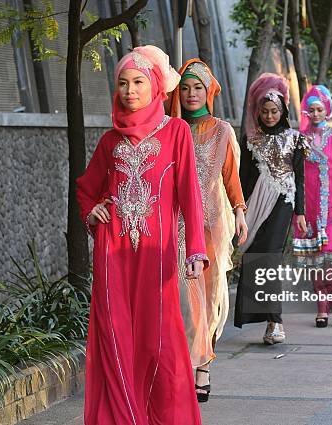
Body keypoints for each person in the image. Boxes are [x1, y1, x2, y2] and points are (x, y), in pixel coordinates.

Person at [76, 45, 208, 425]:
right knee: (115, 338)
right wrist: (93, 211)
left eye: (138, 82)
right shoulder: (109, 141)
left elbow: (190, 196)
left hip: (158, 255)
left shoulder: (177, 133)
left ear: (155, 87)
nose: (130, 90)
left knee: (159, 343)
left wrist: (195, 250)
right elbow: (86, 188)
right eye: (123, 83)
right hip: (112, 252)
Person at [168, 58, 248, 403]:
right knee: (185, 299)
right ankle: (186, 364)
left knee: (212, 296)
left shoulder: (222, 130)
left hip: (213, 226)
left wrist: (240, 213)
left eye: (197, 88)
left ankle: (204, 365)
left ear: (209, 91)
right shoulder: (170, 130)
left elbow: (231, 177)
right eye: (184, 88)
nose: (190, 94)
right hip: (177, 225)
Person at [234, 73, 307, 344]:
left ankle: (276, 322)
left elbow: (299, 176)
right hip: (255, 204)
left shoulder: (295, 138)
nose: (269, 115)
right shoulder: (250, 139)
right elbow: (243, 177)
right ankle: (265, 320)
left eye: (274, 111)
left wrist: (300, 212)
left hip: (283, 202)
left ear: (283, 110)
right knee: (254, 255)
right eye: (264, 111)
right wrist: (238, 208)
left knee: (272, 257)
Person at [293, 85, 332, 328]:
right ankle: (322, 307)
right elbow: (297, 174)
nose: (315, 114)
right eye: (311, 110)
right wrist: (300, 211)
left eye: (319, 109)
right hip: (310, 206)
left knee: (330, 260)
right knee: (316, 260)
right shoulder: (300, 139)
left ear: (326, 110)